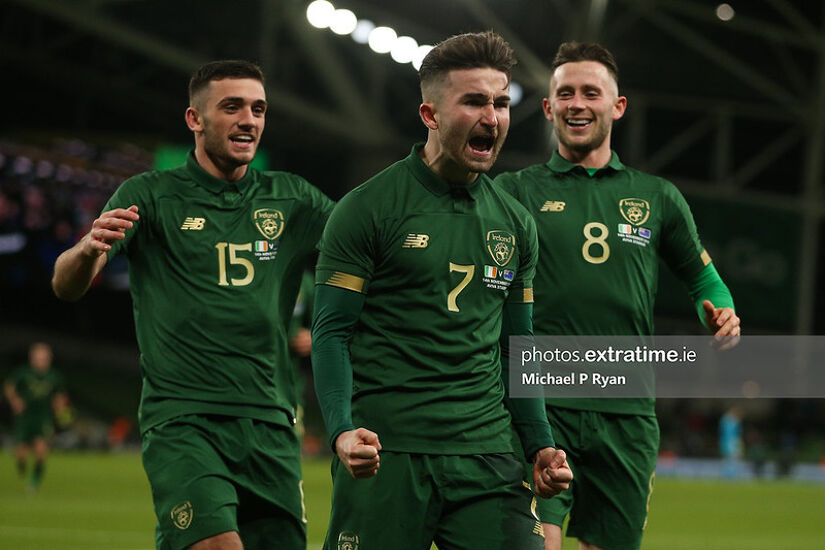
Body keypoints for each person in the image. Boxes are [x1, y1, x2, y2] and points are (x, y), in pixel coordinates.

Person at [52, 60, 334, 550]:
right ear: (195, 119)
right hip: (185, 417)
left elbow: (368, 253)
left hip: (271, 419)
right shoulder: (151, 196)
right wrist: (86, 250)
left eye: (259, 108)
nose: (249, 119)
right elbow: (67, 284)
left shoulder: (295, 200)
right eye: (232, 107)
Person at [311, 31, 572, 550]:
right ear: (429, 115)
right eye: (474, 101)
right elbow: (332, 332)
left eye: (501, 102)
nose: (492, 117)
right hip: (389, 452)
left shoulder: (516, 224)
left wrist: (540, 443)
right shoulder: (367, 209)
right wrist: (341, 428)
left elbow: (519, 347)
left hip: (488, 453)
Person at [495, 42, 741, 550]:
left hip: (626, 409)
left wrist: (721, 311)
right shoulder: (515, 192)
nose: (577, 103)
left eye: (591, 92)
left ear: (617, 106)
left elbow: (703, 279)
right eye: (565, 93)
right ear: (548, 107)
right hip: (541, 400)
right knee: (536, 542)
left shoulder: (657, 197)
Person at [4, 341, 70, 491]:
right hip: (25, 417)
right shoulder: (23, 373)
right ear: (32, 358)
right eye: (39, 357)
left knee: (41, 450)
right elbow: (9, 387)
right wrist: (15, 401)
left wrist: (60, 409)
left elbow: (59, 396)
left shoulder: (54, 376)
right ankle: (21, 466)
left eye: (44, 357)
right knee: (21, 452)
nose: (42, 360)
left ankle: (35, 481)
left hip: (42, 417)